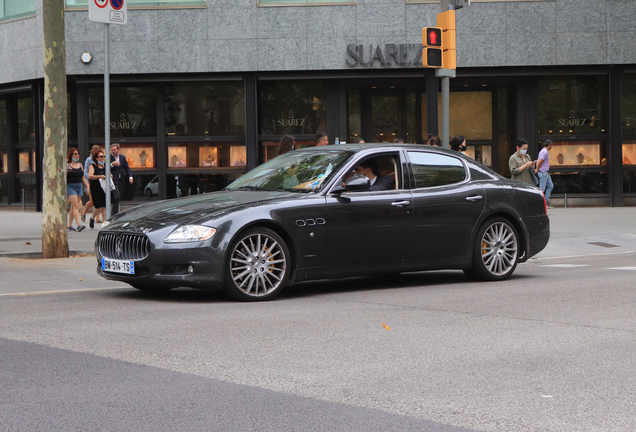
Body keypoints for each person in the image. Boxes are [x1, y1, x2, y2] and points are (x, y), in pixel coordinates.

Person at [66, 148, 89, 232]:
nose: (77, 155)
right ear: (71, 155)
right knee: (75, 205)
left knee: (73, 207)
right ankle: (79, 225)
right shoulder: (67, 165)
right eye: (75, 154)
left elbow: (82, 177)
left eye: (78, 153)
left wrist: (87, 185)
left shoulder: (80, 165)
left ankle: (69, 225)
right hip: (70, 186)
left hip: (79, 186)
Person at [88, 149, 110, 229]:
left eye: (103, 156)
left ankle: (104, 225)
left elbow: (110, 174)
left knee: (104, 206)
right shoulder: (92, 166)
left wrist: (110, 176)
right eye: (101, 156)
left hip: (104, 188)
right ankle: (92, 218)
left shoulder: (105, 166)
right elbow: (90, 176)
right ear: (96, 158)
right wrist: (100, 176)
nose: (103, 158)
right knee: (98, 207)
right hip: (95, 188)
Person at [109, 143, 133, 216]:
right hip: (113, 180)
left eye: (114, 150)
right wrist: (112, 164)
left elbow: (126, 167)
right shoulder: (109, 158)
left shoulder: (122, 157)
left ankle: (115, 212)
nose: (113, 151)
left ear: (118, 150)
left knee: (119, 197)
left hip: (121, 179)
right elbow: (105, 167)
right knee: (117, 196)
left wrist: (130, 176)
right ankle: (114, 213)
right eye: (112, 150)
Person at [81, 145, 103, 224]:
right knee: (93, 201)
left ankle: (97, 218)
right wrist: (88, 182)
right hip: (90, 183)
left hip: (99, 183)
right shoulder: (89, 160)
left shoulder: (100, 160)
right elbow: (86, 172)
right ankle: (84, 212)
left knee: (99, 201)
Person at [535, 139, 554, 208]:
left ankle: (546, 201)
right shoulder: (545, 152)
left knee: (550, 186)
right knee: (542, 189)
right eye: (551, 145)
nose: (552, 146)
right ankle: (541, 203)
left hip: (545, 172)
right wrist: (537, 169)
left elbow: (538, 161)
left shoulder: (543, 151)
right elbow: (540, 161)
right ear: (549, 145)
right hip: (543, 172)